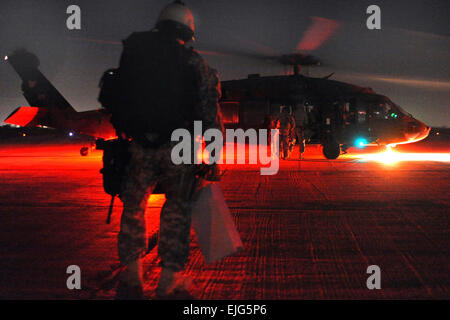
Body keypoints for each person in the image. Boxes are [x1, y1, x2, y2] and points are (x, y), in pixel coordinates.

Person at [111, 1, 222, 299]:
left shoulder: (134, 55)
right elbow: (208, 112)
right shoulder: (194, 62)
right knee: (177, 209)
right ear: (187, 31)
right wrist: (213, 157)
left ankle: (132, 276)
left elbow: (117, 96)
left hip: (139, 146)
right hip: (178, 148)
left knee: (134, 207)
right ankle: (169, 280)